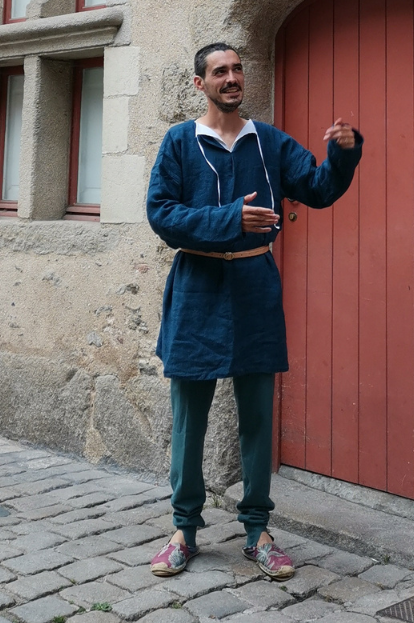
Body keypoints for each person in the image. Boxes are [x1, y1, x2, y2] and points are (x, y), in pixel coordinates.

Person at [146, 42, 362, 580]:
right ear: (200, 84)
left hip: (254, 285)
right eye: (221, 71)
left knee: (258, 418)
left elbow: (317, 189)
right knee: (189, 419)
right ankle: (183, 529)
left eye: (238, 68)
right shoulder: (180, 142)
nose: (232, 77)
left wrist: (344, 153)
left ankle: (258, 531)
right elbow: (161, 213)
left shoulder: (266, 141)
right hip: (198, 286)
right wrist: (228, 221)